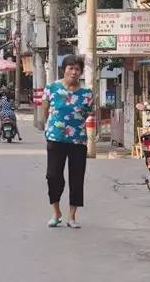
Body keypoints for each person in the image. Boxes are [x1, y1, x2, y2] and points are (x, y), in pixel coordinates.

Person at [41, 54, 93, 229]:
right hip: (55, 139)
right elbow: (45, 109)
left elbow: (87, 113)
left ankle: (72, 216)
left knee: (77, 178)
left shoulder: (86, 94)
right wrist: (48, 128)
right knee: (53, 176)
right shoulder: (52, 88)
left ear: (81, 72)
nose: (74, 71)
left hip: (78, 141)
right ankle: (56, 213)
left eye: (77, 69)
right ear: (64, 69)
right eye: (71, 68)